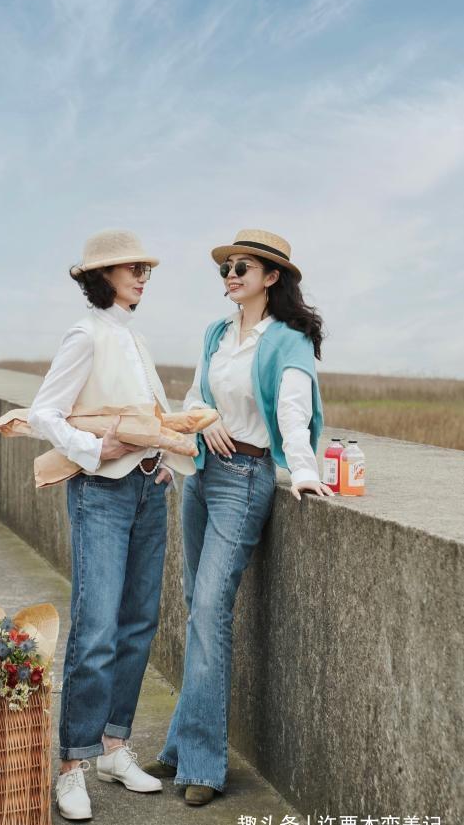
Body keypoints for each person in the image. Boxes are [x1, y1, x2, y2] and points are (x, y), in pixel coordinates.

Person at [144, 228, 333, 805]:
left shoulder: (288, 341)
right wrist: (205, 419)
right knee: (194, 607)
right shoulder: (217, 334)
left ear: (271, 278)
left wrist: (301, 470)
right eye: (226, 267)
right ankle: (181, 746)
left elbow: (294, 411)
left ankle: (202, 765)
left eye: (242, 267)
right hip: (201, 477)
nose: (230, 274)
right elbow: (192, 399)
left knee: (209, 610)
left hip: (246, 482)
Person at [27, 229, 195, 821]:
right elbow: (45, 412)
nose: (143, 276)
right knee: (96, 628)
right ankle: (71, 765)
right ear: (103, 276)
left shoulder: (134, 338)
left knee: (138, 622)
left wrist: (161, 461)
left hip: (148, 490)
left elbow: (145, 417)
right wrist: (94, 451)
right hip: (100, 492)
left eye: (146, 269)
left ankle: (115, 748)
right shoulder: (86, 334)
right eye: (132, 269)